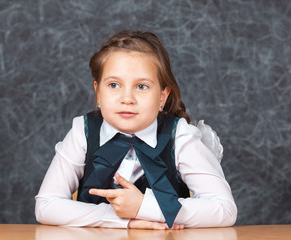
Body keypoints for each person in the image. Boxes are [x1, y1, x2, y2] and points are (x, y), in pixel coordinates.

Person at [35, 31, 237, 230]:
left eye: (141, 86)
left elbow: (224, 209)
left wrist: (145, 207)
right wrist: (123, 220)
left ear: (162, 97)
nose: (127, 98)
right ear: (98, 92)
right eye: (114, 85)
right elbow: (46, 206)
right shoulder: (83, 131)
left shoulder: (181, 136)